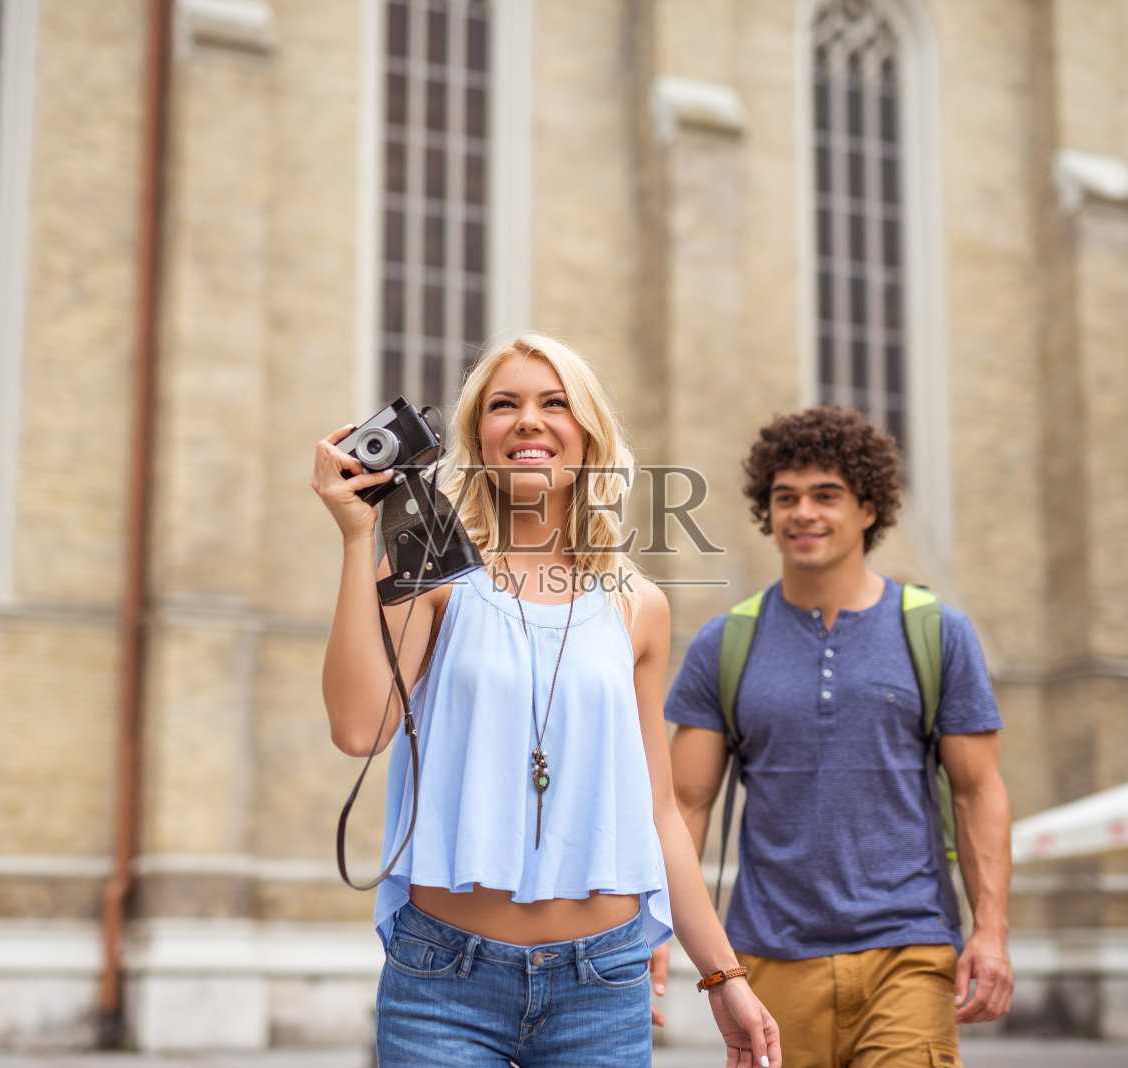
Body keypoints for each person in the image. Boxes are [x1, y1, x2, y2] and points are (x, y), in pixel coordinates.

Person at [312, 333, 782, 1068]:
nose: (529, 419)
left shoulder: (638, 606)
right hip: (443, 980)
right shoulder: (428, 563)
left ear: (587, 436)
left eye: (554, 402)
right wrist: (357, 540)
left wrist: (724, 977)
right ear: (478, 437)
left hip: (603, 983)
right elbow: (357, 730)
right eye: (505, 404)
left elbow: (658, 812)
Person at [650, 405, 1013, 1067]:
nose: (803, 513)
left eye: (826, 495)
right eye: (786, 497)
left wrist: (991, 930)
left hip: (908, 949)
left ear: (869, 508)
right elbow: (684, 804)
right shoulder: (723, 644)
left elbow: (977, 791)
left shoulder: (938, 632)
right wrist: (656, 928)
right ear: (767, 510)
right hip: (768, 960)